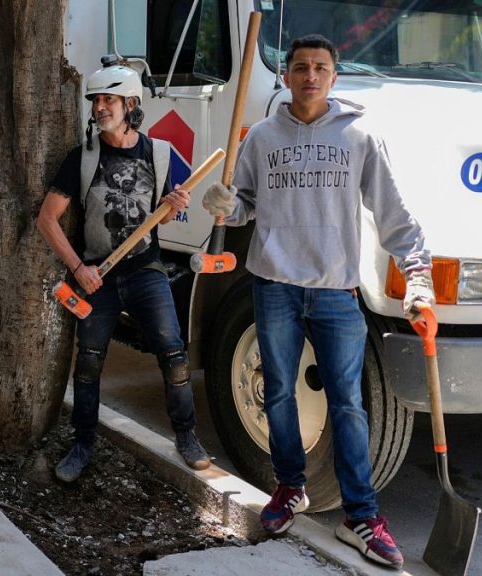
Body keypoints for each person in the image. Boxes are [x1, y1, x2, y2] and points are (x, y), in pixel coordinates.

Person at [201, 34, 434, 569]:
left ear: (334, 76)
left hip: (334, 290)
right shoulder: (259, 137)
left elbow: (394, 213)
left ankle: (361, 516)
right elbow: (245, 210)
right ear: (285, 76)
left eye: (320, 67)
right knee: (279, 393)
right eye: (301, 66)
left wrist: (417, 275)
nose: (310, 75)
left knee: (348, 405)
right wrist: (225, 205)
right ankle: (290, 487)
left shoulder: (360, 136)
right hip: (274, 285)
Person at [36, 61, 210, 483]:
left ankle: (186, 436)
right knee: (90, 362)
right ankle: (83, 443)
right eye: (96, 101)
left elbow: (159, 220)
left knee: (173, 353)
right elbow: (46, 220)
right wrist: (78, 268)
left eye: (108, 100)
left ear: (131, 103)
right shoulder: (82, 158)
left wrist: (172, 210)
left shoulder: (160, 153)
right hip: (98, 274)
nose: (100, 108)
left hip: (145, 268)